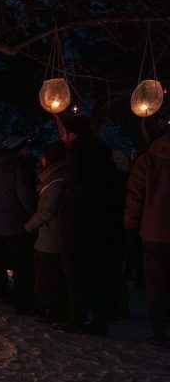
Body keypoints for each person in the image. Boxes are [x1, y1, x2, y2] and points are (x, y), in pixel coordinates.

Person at [60, 116, 119, 335]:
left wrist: (63, 203)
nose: (63, 137)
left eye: (64, 133)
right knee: (96, 272)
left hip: (79, 221)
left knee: (76, 271)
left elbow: (75, 187)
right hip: (101, 221)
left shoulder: (77, 153)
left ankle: (77, 318)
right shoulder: (102, 150)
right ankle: (98, 319)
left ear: (73, 134)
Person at [0, 136, 36, 313]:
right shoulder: (20, 168)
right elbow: (26, 197)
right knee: (22, 265)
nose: (27, 152)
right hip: (16, 225)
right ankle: (23, 304)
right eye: (25, 148)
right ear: (17, 150)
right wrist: (33, 214)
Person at [124, 123, 170, 347]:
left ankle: (161, 330)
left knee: (157, 284)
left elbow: (135, 195)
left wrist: (131, 225)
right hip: (155, 229)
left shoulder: (147, 160)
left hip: (155, 230)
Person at [25, 142, 68, 322]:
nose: (40, 161)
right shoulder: (52, 179)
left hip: (50, 237)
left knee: (48, 276)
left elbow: (47, 211)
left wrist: (28, 226)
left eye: (42, 157)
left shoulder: (56, 181)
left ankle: (51, 310)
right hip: (49, 235)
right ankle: (49, 308)